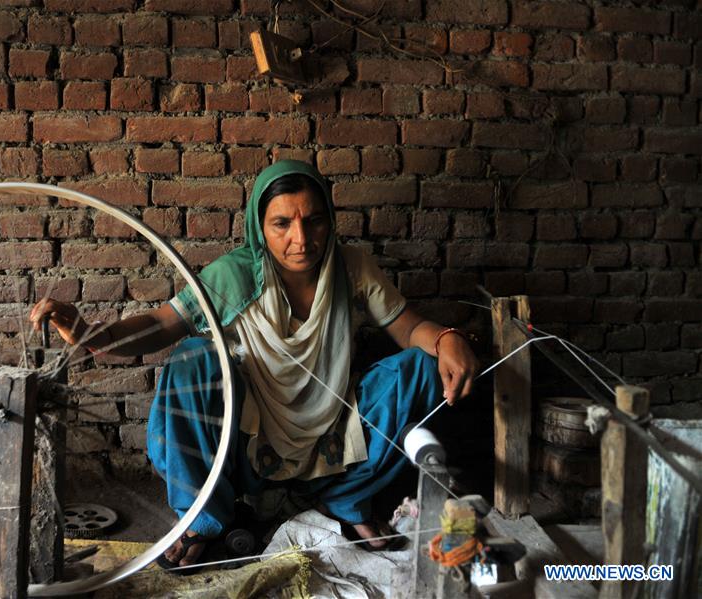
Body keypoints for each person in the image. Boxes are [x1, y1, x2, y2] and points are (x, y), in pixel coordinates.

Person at [30, 160, 479, 570]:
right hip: (250, 441)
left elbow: (406, 326)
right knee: (192, 359)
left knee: (420, 368)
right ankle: (203, 518)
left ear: (330, 221)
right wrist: (95, 336)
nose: (300, 239)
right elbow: (162, 325)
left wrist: (446, 339)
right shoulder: (234, 275)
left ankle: (345, 498)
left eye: (313, 220)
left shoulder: (350, 266)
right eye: (282, 223)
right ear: (259, 228)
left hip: (335, 435)